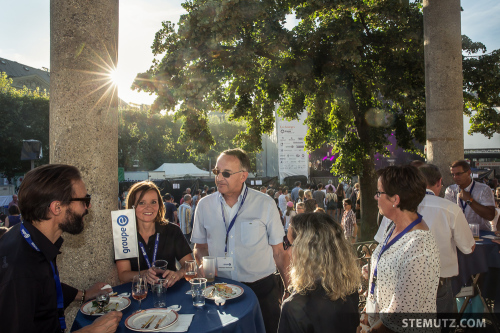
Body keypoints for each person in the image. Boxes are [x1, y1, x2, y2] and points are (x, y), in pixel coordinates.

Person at [0, 164, 121, 333]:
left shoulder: (26, 236)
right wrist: (90, 331)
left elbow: (45, 288)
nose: (88, 206)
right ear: (56, 208)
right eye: (84, 200)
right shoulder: (20, 271)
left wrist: (84, 294)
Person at [192, 148, 290, 333]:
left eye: (226, 173)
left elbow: (279, 251)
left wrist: (289, 289)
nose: (219, 177)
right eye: (216, 172)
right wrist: (207, 269)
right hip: (219, 290)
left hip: (262, 291)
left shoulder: (265, 203)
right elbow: (200, 247)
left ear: (243, 176)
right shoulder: (204, 205)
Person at [360, 165, 440, 333]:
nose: (375, 197)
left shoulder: (419, 246)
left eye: (379, 193)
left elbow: (400, 316)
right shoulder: (392, 226)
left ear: (395, 200)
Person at [278, 212, 360, 333]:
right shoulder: (350, 287)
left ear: (303, 251)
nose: (287, 251)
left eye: (288, 243)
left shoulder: (293, 308)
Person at [417, 164, 476, 314]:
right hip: (439, 280)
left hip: (406, 279)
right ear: (439, 182)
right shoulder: (450, 208)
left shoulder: (399, 206)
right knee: (442, 325)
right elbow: (468, 247)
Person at [116, 181, 193, 288]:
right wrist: (143, 274)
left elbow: (190, 265)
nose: (149, 207)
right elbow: (123, 275)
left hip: (169, 293)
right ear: (132, 206)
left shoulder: (173, 230)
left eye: (153, 202)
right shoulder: (124, 233)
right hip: (139, 294)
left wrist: (178, 274)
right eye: (142, 203)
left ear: (160, 205)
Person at [445, 160, 496, 230]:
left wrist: (469, 200)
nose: (455, 177)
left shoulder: (483, 189)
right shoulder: (450, 190)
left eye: (458, 174)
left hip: (480, 233)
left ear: (469, 172)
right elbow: (447, 215)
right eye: (453, 174)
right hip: (458, 233)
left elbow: (490, 216)